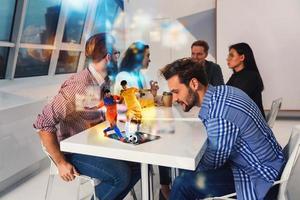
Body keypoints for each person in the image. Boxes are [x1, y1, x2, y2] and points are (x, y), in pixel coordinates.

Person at [33, 33, 140, 200]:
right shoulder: (78, 86)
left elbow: (96, 112)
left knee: (138, 164)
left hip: (96, 144)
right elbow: (43, 123)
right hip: (73, 151)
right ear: (110, 57)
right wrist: (61, 162)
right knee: (121, 175)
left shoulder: (103, 81)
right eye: (117, 54)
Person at [160, 58, 285, 200]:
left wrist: (186, 161)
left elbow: (211, 163)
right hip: (269, 163)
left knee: (182, 183)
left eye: (176, 91)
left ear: (194, 84)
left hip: (260, 177)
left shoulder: (218, 115)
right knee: (185, 172)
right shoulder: (222, 91)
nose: (174, 98)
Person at [226, 42, 266, 118]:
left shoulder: (251, 76)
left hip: (252, 123)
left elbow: (236, 99)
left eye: (231, 55)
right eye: (228, 55)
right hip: (244, 120)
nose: (228, 58)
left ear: (242, 58)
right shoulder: (235, 75)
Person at [114, 41, 159, 107]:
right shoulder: (122, 77)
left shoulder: (141, 76)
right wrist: (152, 95)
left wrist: (153, 93)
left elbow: (145, 99)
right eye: (147, 56)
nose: (149, 60)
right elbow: (131, 102)